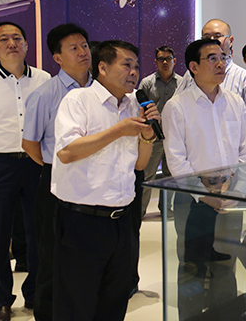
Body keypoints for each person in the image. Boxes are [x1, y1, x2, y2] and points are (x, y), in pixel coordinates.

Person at [50, 40, 158, 321]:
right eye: (126, 65)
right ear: (103, 67)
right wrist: (117, 130)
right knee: (76, 304)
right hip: (82, 221)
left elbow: (140, 165)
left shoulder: (135, 105)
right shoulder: (78, 100)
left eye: (136, 66)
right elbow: (66, 152)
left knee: (114, 300)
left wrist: (147, 136)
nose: (134, 72)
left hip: (122, 220)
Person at [161, 38, 246, 320]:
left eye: (222, 57)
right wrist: (203, 195)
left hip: (230, 198)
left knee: (226, 264)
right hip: (193, 201)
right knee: (192, 268)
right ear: (193, 67)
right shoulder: (177, 106)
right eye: (212, 58)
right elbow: (176, 160)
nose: (220, 63)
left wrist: (236, 191)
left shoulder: (235, 102)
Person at [21, 23, 92, 321]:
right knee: (51, 255)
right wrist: (56, 168)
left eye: (84, 45)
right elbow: (29, 143)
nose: (83, 52)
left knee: (89, 255)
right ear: (58, 58)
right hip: (55, 181)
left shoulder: (101, 89)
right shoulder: (45, 94)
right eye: (73, 48)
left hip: (96, 183)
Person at [0, 21, 50, 321]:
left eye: (17, 38)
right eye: (4, 39)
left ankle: (36, 294)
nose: (11, 43)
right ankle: (2, 299)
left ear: (26, 44)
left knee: (39, 234)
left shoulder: (44, 79)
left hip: (36, 163)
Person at [176, 19, 246, 132]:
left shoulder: (244, 77)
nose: (212, 41)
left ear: (230, 40)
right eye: (206, 37)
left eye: (217, 36)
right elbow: (177, 106)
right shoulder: (192, 73)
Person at [138, 46, 182, 217]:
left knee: (171, 176)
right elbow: (140, 109)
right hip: (153, 137)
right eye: (161, 59)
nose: (165, 62)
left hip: (174, 137)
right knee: (147, 175)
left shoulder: (182, 83)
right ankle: (140, 211)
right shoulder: (147, 83)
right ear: (155, 62)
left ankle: (165, 209)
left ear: (174, 61)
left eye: (168, 58)